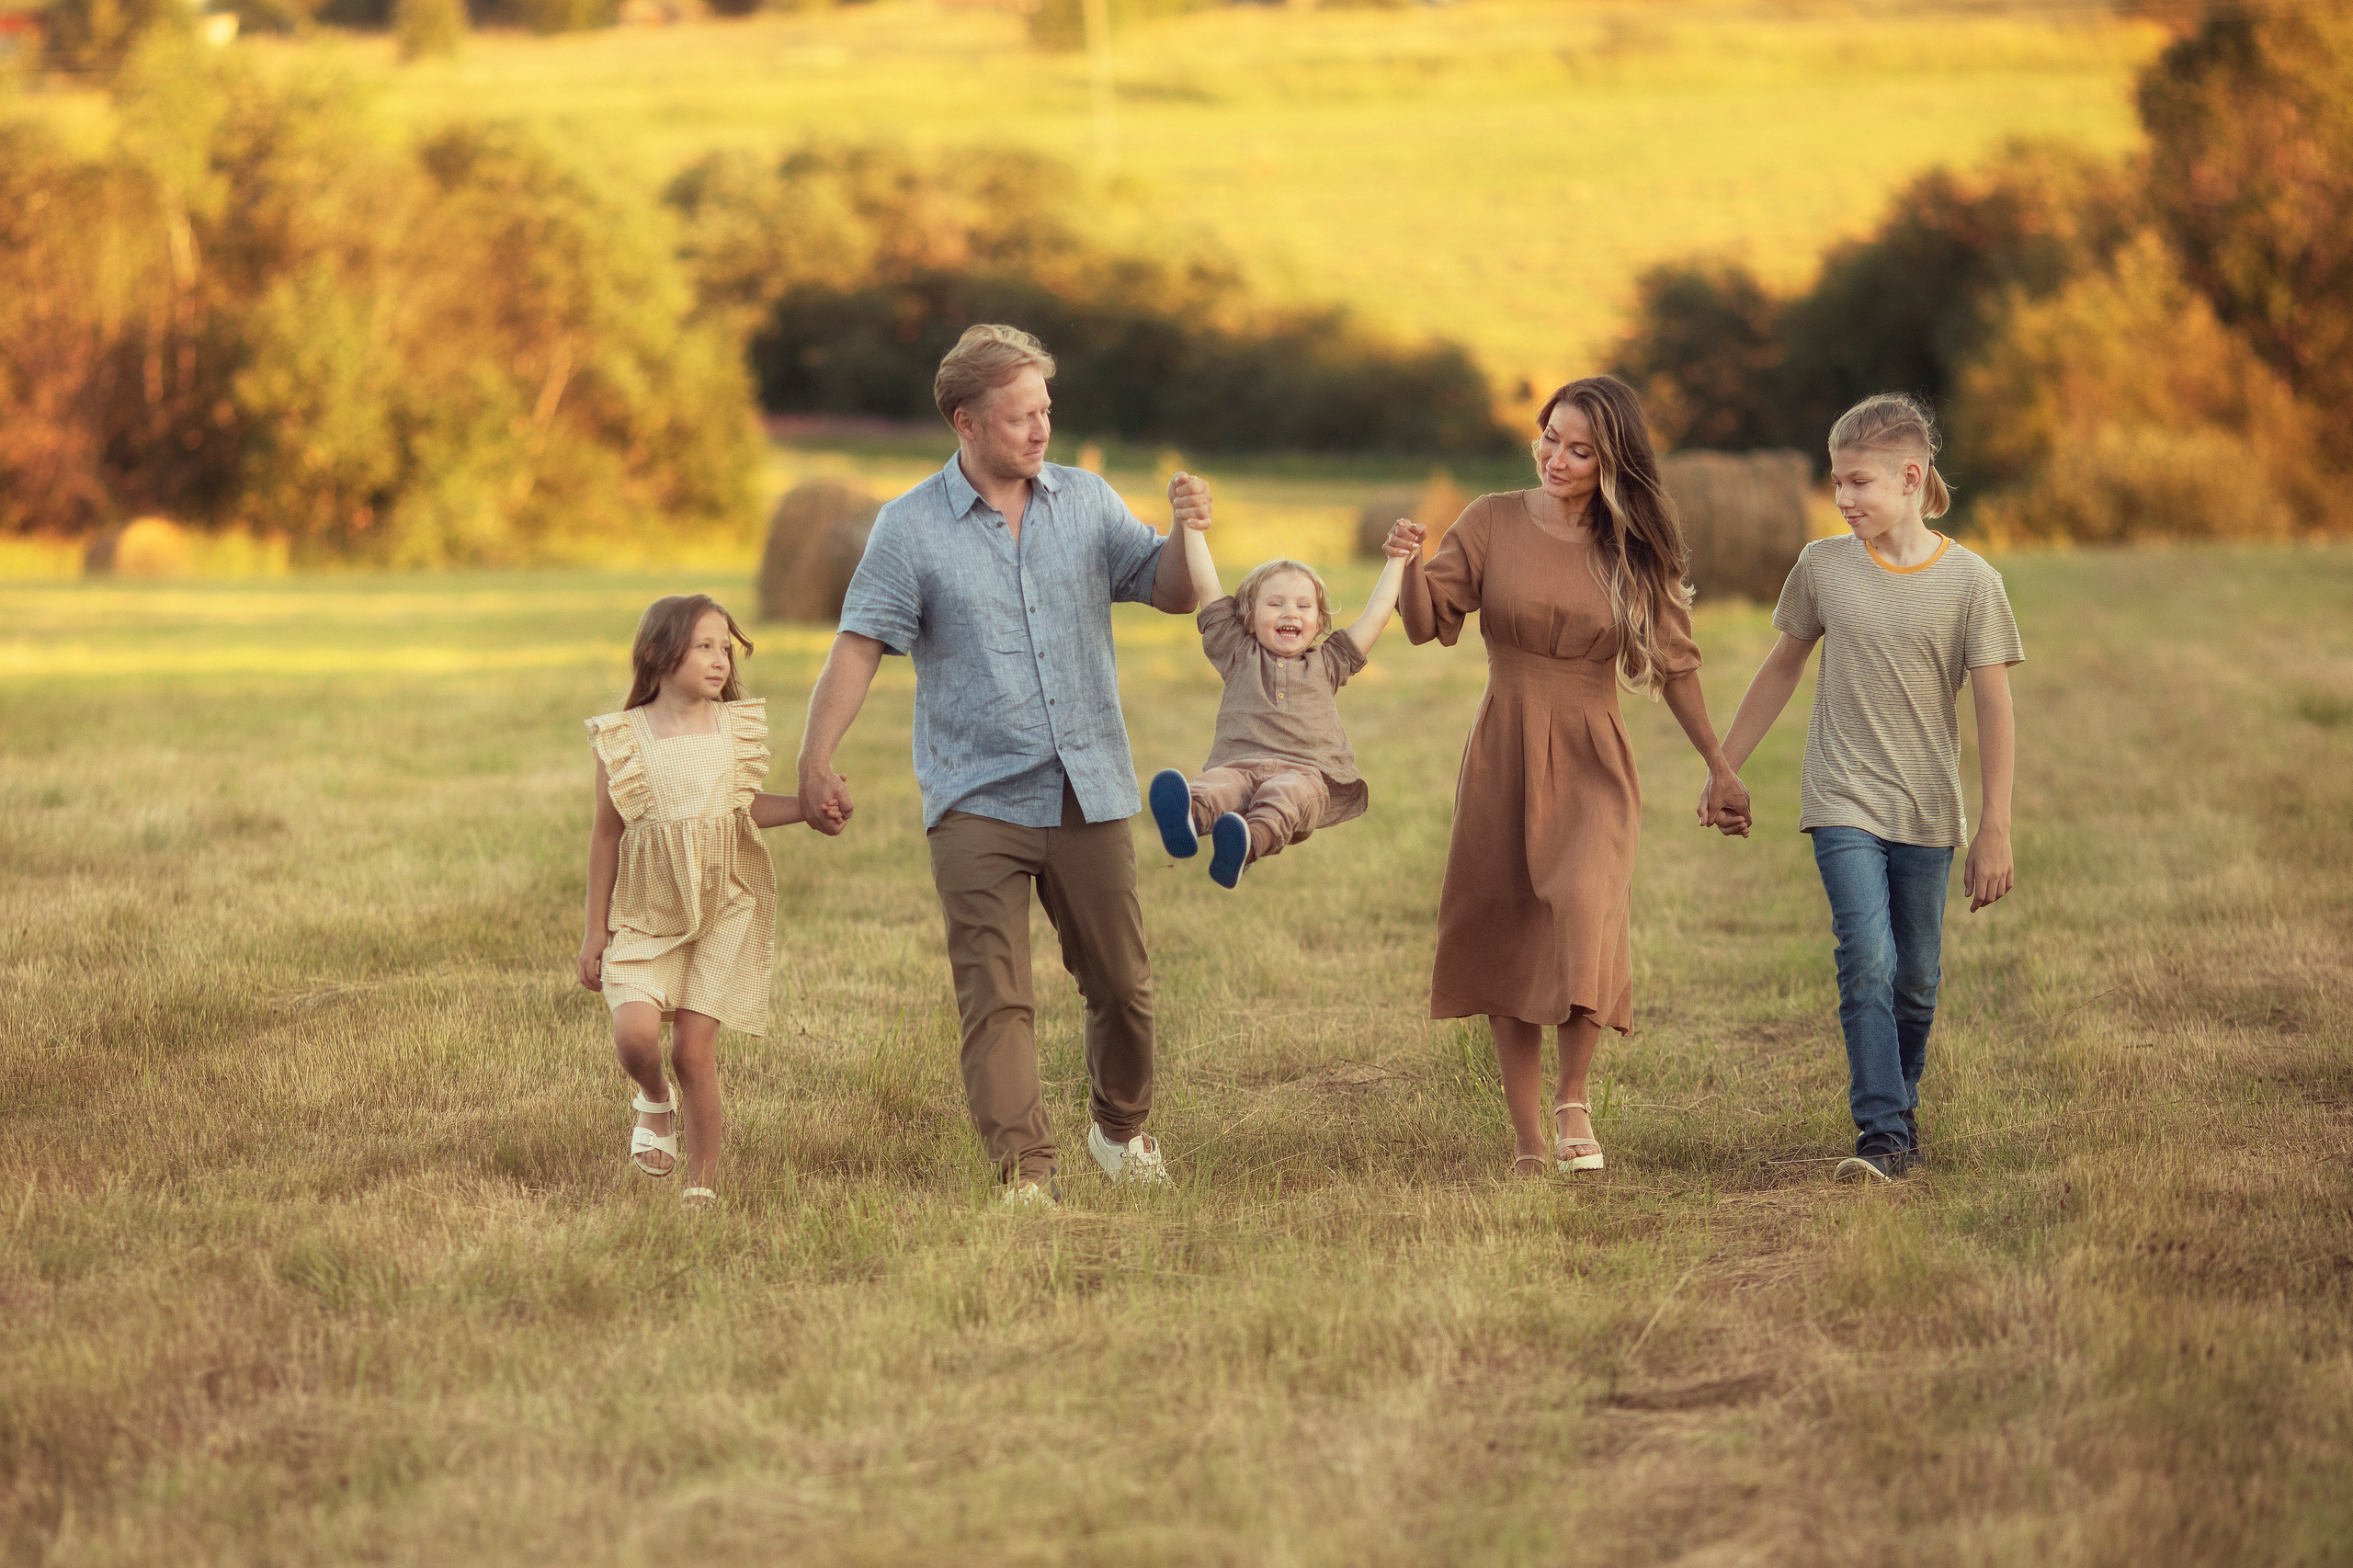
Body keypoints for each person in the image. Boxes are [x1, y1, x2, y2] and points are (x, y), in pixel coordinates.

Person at [794, 324, 1208, 1209]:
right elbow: (860, 646)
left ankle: (1119, 1130)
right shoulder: (908, 530)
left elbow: (1171, 592)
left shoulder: (1087, 502)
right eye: (1021, 416)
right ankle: (1025, 1170)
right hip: (975, 795)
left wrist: (1183, 530)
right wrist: (815, 757)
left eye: (1046, 412)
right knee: (996, 992)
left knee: (1123, 986)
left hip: (1086, 785)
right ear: (966, 421)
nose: (1040, 429)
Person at [1397, 375, 1751, 1180]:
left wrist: (1718, 765)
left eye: (1580, 449)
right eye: (1549, 438)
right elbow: (1428, 625)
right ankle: (1528, 1144)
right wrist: (1410, 565)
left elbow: (1676, 666)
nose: (1557, 458)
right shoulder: (1489, 519)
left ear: (1612, 462)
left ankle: (1573, 1101)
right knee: (1508, 927)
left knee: (1586, 909)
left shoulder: (1632, 548)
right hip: (1505, 746)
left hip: (1594, 748)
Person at [1715, 392, 2022, 1183]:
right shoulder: (1821, 567)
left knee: (1917, 979)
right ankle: (1881, 1134)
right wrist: (1726, 763)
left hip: (1927, 807)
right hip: (1842, 795)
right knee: (1868, 959)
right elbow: (1781, 667)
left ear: (1911, 478)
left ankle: (1900, 1107)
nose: (1843, 498)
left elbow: (1994, 705)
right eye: (1836, 482)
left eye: (1859, 482)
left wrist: (1996, 827)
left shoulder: (1972, 582)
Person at [576, 595, 845, 1208]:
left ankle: (702, 1185)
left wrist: (807, 809)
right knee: (637, 1037)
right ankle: (652, 1096)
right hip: (647, 910)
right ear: (656, 653)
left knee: (694, 1050)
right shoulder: (623, 738)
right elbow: (606, 832)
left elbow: (743, 809)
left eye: (725, 647)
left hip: (722, 906)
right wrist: (595, 930)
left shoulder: (733, 729)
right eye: (704, 645)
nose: (720, 658)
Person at [1143, 502, 1419, 888]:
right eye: (1275, 604)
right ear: (1248, 617)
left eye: (1303, 606)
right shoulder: (1237, 651)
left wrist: (1397, 559)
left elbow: (1375, 614)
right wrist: (1192, 527)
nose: (1291, 612)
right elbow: (1208, 586)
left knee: (1284, 795)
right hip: (1239, 765)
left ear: (1319, 621)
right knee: (1217, 786)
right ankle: (1188, 815)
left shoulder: (1329, 661)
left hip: (1306, 774)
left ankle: (1246, 844)